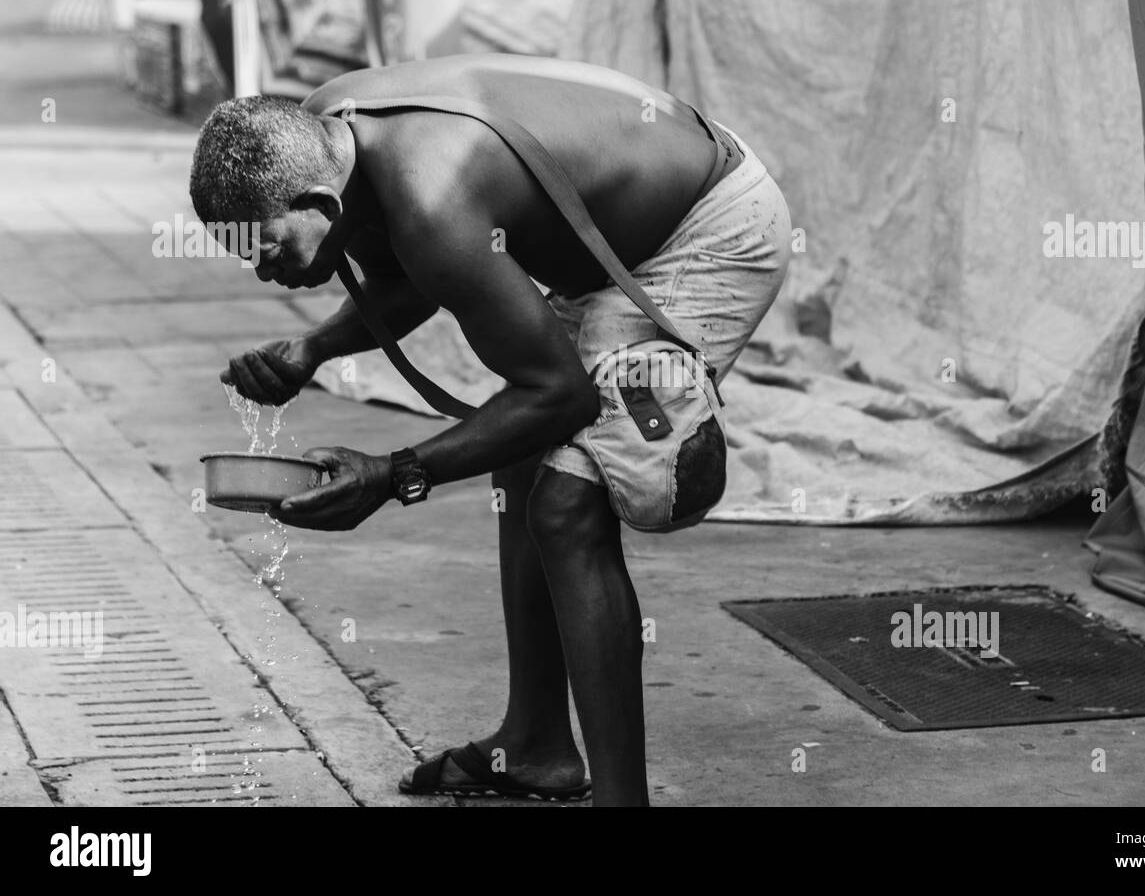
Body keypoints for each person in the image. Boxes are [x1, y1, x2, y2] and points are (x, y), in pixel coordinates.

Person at [193, 54, 791, 806]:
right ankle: (536, 744)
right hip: (618, 243)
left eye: (269, 247)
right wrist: (312, 351)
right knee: (520, 467)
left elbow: (558, 396)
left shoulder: (428, 192)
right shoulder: (328, 135)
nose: (263, 272)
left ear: (320, 201)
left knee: (566, 502)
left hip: (709, 230)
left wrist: (392, 474)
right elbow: (414, 272)